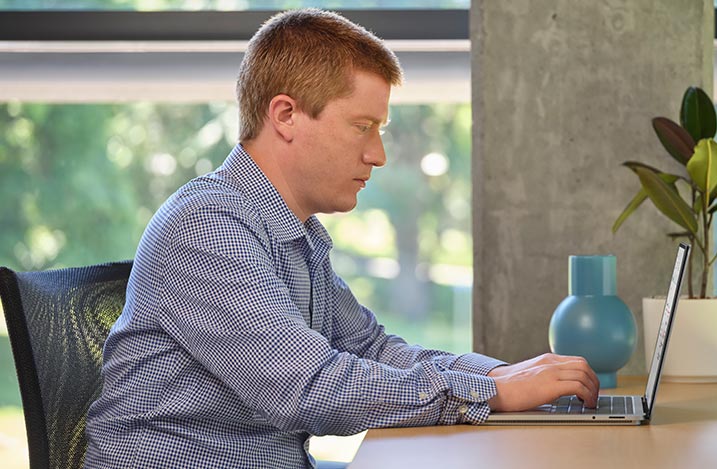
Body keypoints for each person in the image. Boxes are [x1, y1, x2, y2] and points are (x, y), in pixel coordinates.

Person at [84, 9, 599, 469]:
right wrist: (489, 393)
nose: (378, 154)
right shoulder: (209, 226)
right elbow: (308, 389)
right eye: (362, 126)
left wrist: (511, 377)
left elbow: (369, 348)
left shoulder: (292, 232)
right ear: (285, 116)